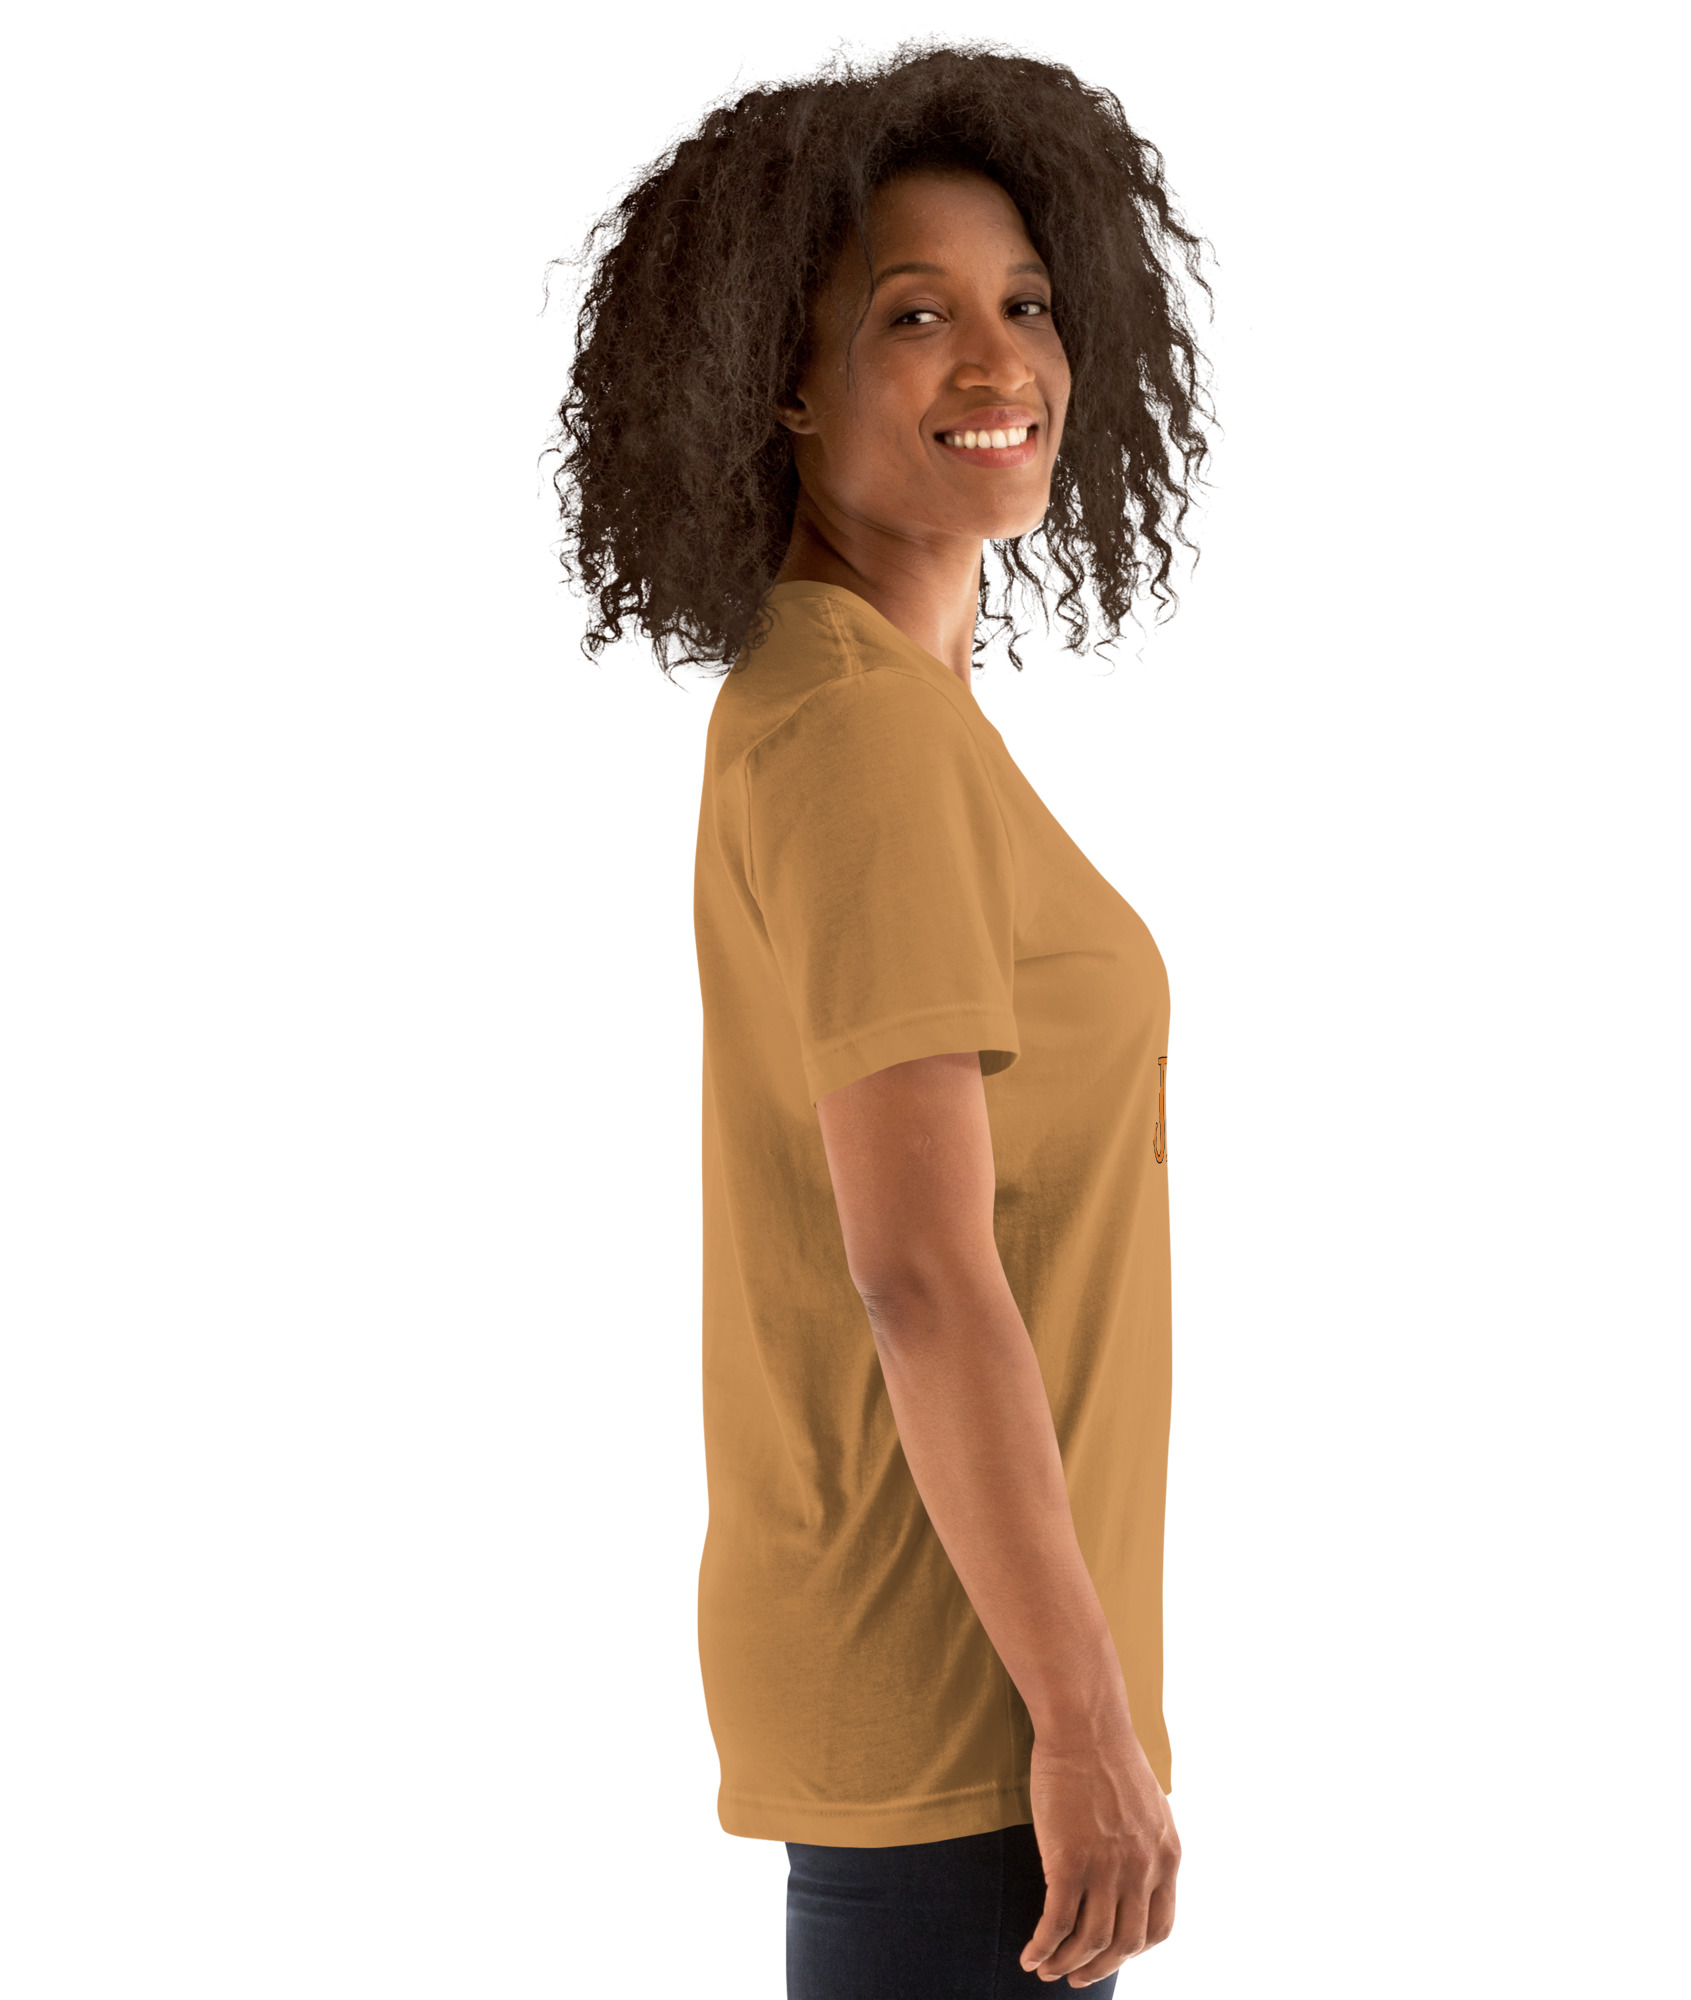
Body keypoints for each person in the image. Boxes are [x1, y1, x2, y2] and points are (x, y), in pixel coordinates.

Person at [552, 42, 1212, 1997]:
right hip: (967, 1702)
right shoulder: (857, 729)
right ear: (780, 375)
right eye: (914, 316)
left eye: (1026, 303)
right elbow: (918, 1269)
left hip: (945, 1678)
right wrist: (1082, 1722)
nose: (998, 360)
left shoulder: (849, 699)